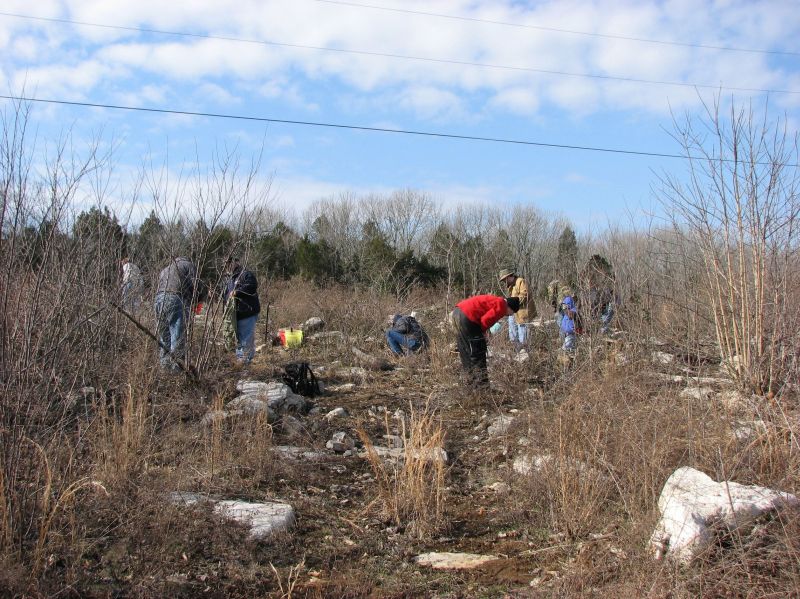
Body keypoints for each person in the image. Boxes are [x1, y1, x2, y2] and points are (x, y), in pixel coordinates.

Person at [452, 294, 520, 386]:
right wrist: (483, 335)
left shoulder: (495, 300)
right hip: (468, 316)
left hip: (457, 312)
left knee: (465, 349)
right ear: (510, 308)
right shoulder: (501, 305)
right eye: (511, 313)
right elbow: (485, 322)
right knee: (477, 350)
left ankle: (469, 382)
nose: (508, 315)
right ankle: (481, 385)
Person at [154, 257, 197, 372]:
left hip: (158, 299)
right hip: (176, 297)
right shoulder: (188, 265)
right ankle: (176, 372)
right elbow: (195, 284)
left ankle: (165, 369)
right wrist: (199, 299)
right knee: (177, 337)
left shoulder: (166, 269)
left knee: (164, 337)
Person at [224, 257, 261, 364]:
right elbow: (226, 295)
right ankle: (241, 361)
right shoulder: (229, 279)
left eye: (230, 263)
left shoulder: (245, 274)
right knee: (240, 340)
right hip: (236, 315)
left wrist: (237, 292)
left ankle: (245, 364)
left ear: (237, 262)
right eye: (226, 264)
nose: (228, 265)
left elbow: (252, 285)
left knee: (246, 340)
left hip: (247, 312)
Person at [498, 268, 535, 350]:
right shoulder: (510, 286)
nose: (504, 282)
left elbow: (525, 296)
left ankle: (525, 354)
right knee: (513, 336)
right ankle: (518, 353)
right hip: (514, 313)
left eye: (504, 280)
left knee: (523, 337)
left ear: (509, 277)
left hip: (523, 313)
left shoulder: (520, 281)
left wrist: (510, 302)